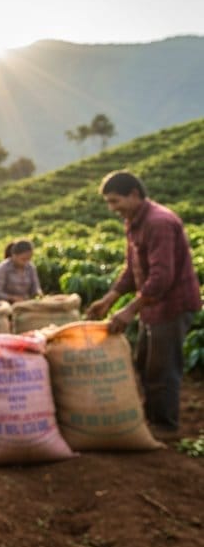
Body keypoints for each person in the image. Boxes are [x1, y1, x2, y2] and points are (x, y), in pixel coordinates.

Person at [85, 170, 201, 437]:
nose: (112, 208)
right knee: (145, 363)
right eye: (109, 202)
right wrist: (109, 299)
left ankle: (165, 425)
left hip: (172, 305)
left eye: (115, 201)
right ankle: (151, 418)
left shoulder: (159, 222)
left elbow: (162, 278)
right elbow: (132, 269)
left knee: (163, 367)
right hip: (152, 304)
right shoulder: (135, 220)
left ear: (134, 195)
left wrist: (128, 310)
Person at [0, 239, 43, 303]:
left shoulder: (30, 267)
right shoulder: (2, 268)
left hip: (25, 304)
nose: (26, 262)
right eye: (23, 259)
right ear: (14, 255)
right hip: (5, 305)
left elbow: (36, 288)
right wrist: (12, 298)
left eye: (28, 259)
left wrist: (38, 293)